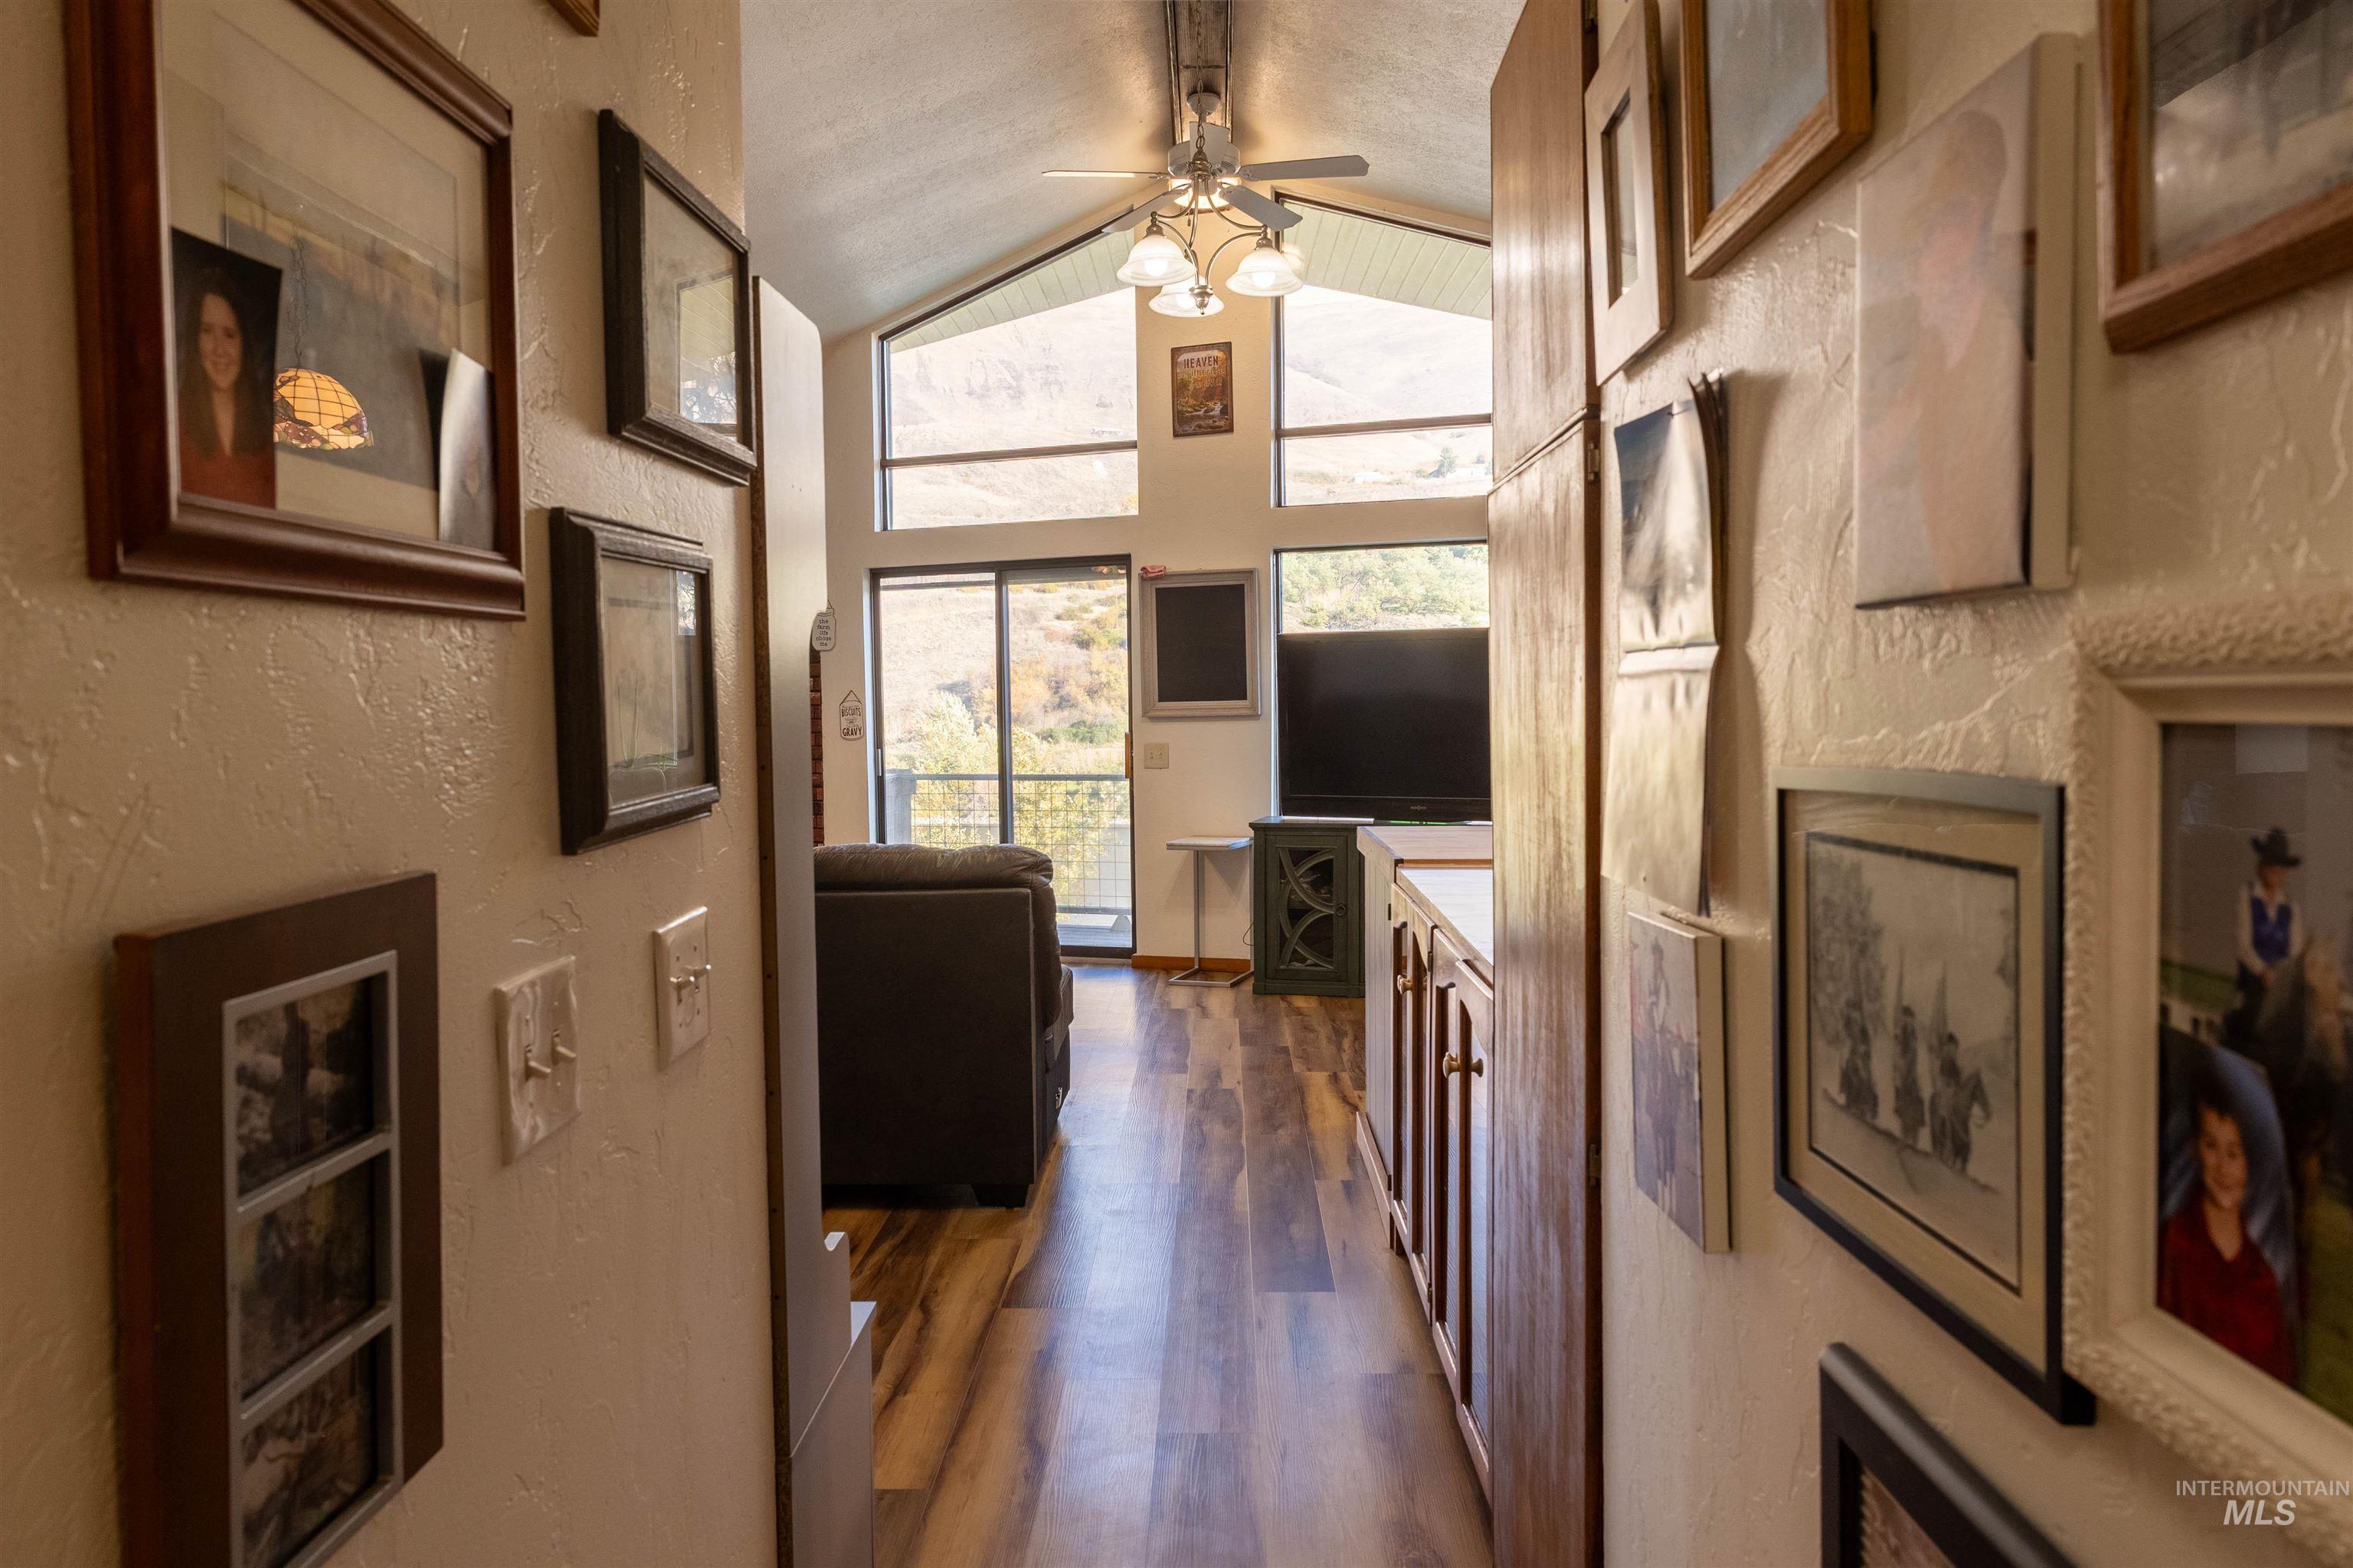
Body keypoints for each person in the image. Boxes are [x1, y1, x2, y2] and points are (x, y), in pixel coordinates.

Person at [2158, 1068, 2297, 1385]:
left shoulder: (2263, 1277)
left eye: (2234, 1153)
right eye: (2211, 1146)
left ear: (2252, 1162)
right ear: (2194, 1148)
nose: (2222, 1167)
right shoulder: (2174, 1245)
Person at [175, 268, 276, 507]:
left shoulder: (266, 433)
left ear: (243, 344)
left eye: (229, 335)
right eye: (208, 331)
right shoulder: (174, 421)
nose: (219, 349)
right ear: (195, 338)